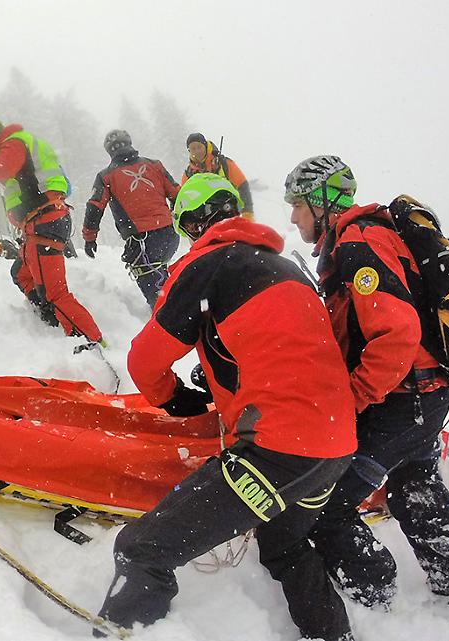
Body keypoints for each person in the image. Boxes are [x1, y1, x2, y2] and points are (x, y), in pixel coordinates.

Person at [96, 173, 357, 641]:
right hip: (336, 444)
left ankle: (120, 631)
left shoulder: (207, 265)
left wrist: (173, 398)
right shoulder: (287, 268)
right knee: (285, 544)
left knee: (141, 548)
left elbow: (145, 361)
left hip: (280, 449)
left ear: (192, 226)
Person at [286, 155, 449, 615]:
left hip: (400, 402)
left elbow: (397, 333)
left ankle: (373, 596)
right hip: (421, 398)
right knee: (414, 491)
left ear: (322, 202)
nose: (293, 217)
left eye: (297, 203)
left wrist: (354, 397)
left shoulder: (358, 245)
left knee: (323, 505)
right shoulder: (368, 237)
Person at [0, 116, 103, 344]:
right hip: (42, 221)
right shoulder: (21, 144)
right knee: (21, 273)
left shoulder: (13, 143)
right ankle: (51, 318)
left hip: (44, 221)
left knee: (55, 292)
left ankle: (91, 341)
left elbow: (1, 169)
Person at [83, 130, 181, 308]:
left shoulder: (106, 176)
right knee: (163, 280)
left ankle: (172, 318)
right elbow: (177, 194)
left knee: (160, 301)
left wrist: (90, 238)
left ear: (109, 150)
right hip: (169, 235)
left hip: (142, 240)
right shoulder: (154, 165)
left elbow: (95, 207)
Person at [182, 132, 254, 219]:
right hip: (204, 219)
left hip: (229, 211)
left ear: (206, 146)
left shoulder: (223, 164)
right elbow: (183, 198)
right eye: (193, 149)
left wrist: (247, 211)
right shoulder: (189, 174)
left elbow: (242, 185)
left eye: (199, 147)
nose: (197, 151)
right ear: (189, 151)